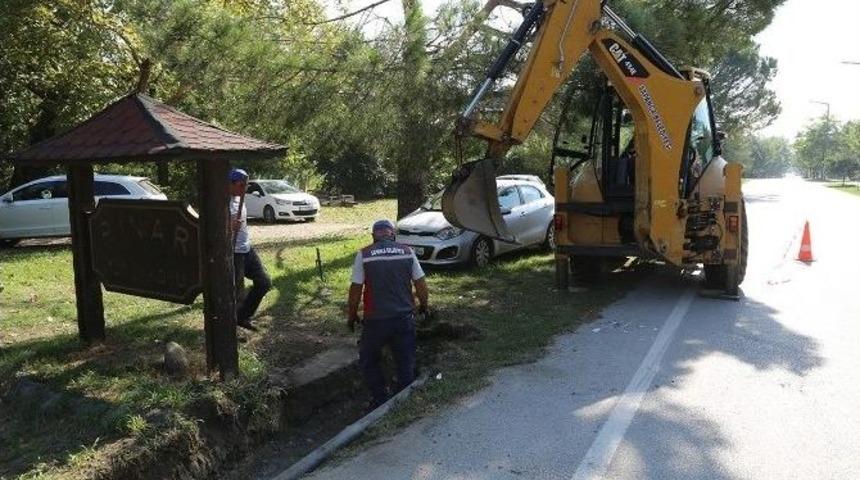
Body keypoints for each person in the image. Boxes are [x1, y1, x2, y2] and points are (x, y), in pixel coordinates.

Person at [348, 219, 429, 408]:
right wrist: (424, 306)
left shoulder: (364, 255)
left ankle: (380, 398)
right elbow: (421, 284)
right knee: (405, 361)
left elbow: (355, 290)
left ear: (373, 236)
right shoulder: (407, 252)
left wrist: (352, 315)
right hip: (403, 319)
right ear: (393, 235)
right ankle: (404, 400)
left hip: (375, 321)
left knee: (369, 360)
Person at [229, 168, 272, 331]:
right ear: (230, 184)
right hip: (233, 252)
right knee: (236, 292)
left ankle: (243, 316)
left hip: (246, 249)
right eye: (240, 186)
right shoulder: (221, 203)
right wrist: (228, 226)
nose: (243, 189)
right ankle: (232, 326)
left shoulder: (240, 199)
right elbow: (212, 230)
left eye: (245, 186)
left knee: (264, 282)